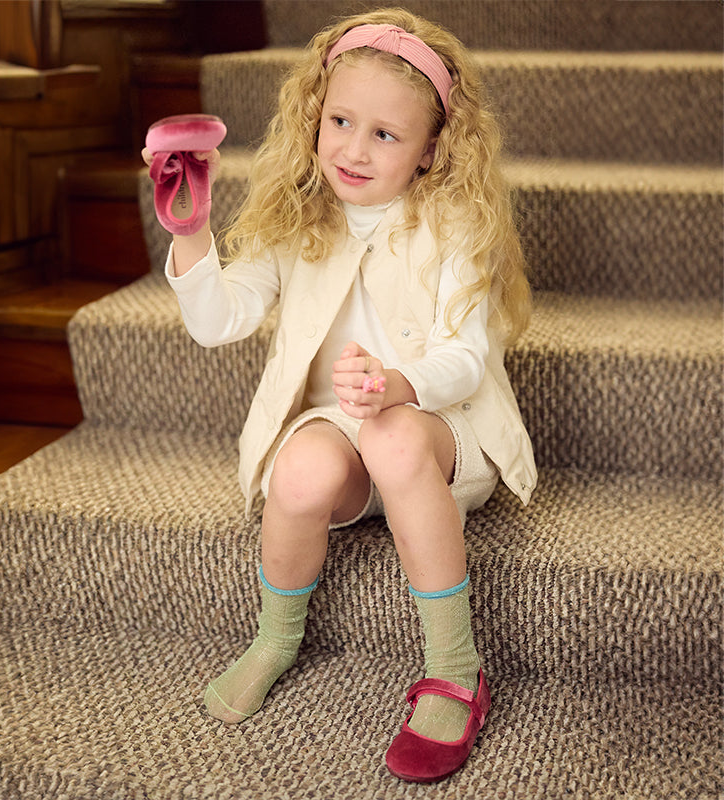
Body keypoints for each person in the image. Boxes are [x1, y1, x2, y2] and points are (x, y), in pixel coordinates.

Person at [143, 7, 536, 784]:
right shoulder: (298, 220)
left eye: (385, 135)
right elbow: (222, 320)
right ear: (314, 119)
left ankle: (456, 667)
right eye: (341, 121)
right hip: (342, 429)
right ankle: (276, 638)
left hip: (440, 429)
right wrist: (191, 238)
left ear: (432, 150)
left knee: (392, 434)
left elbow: (467, 357)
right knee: (299, 474)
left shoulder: (456, 222)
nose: (353, 149)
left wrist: (399, 386)